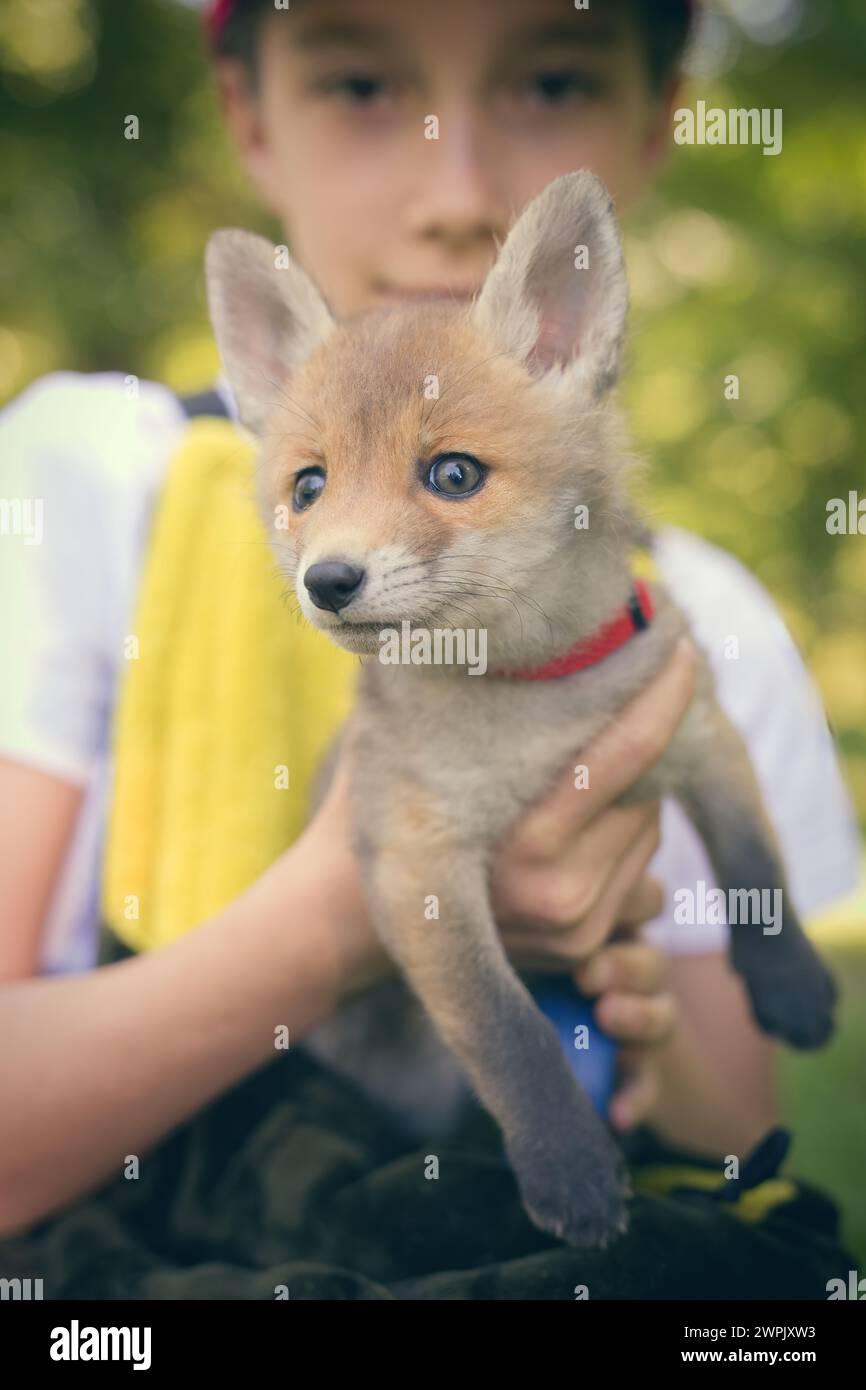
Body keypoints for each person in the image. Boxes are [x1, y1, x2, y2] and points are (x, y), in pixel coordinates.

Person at [0, 0, 859, 1283]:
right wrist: (341, 922)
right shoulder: (83, 483)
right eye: (358, 84)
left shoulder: (707, 617)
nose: (455, 192)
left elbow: (735, 1133)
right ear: (248, 117)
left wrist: (639, 1010)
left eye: (552, 80)